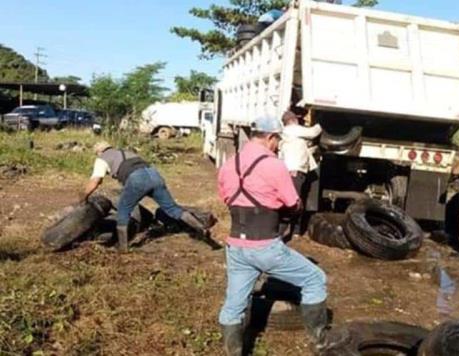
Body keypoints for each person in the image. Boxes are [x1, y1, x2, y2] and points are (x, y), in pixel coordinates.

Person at [217, 116, 333, 355]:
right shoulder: (274, 165)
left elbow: (227, 198)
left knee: (234, 305)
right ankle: (320, 344)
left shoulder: (230, 164)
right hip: (265, 246)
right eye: (277, 139)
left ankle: (233, 351)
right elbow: (293, 203)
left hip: (236, 246)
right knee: (315, 280)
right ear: (270, 136)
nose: (278, 144)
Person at [79, 141, 206, 252]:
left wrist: (84, 196)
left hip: (137, 179)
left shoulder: (102, 158)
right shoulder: (127, 152)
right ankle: (201, 228)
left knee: (123, 211)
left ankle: (123, 248)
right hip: (155, 175)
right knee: (172, 209)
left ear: (99, 152)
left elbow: (95, 181)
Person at [279, 110, 322, 236]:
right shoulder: (292, 129)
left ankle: (293, 229)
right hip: (295, 170)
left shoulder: (290, 135)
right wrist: (323, 121)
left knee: (297, 199)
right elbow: (313, 132)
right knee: (295, 201)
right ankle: (286, 229)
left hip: (295, 170)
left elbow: (305, 147)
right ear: (292, 120)